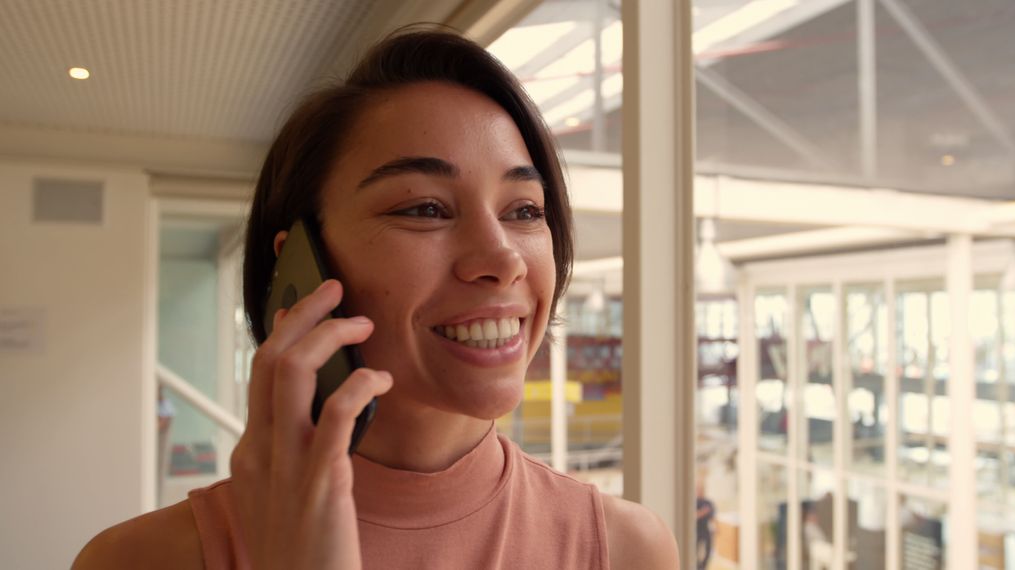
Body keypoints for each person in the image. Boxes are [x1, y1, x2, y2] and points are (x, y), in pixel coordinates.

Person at [73, 27, 678, 569]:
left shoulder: (625, 550)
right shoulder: (138, 560)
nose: (503, 259)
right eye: (423, 208)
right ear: (298, 269)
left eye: (525, 210)